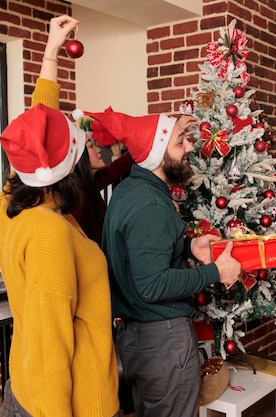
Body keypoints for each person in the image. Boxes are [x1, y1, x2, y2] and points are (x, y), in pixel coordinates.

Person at [86, 108, 242, 417]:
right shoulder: (150, 205)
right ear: (158, 152)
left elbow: (141, 252)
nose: (190, 148)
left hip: (140, 339)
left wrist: (188, 244)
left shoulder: (131, 189)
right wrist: (215, 271)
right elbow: (152, 284)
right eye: (180, 142)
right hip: (162, 341)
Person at [0, 107, 119, 415]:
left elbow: (33, 135)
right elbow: (49, 347)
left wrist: (50, 57)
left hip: (25, 388)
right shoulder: (49, 233)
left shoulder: (11, 204)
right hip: (76, 402)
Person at [32, 14, 133, 243]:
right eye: (89, 145)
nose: (97, 149)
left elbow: (120, 166)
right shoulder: (73, 197)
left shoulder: (86, 184)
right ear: (75, 156)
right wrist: (51, 52)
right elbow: (43, 117)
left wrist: (156, 135)